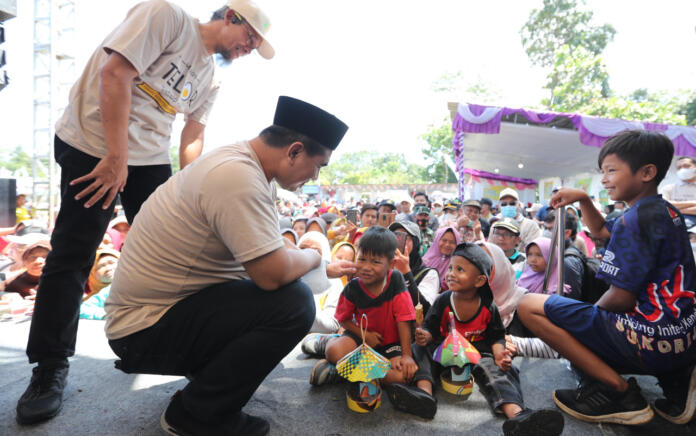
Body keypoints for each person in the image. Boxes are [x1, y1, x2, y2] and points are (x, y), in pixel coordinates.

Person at [16, 0, 276, 426]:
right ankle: (49, 368)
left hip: (148, 158)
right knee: (73, 255)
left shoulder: (210, 76)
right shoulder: (166, 18)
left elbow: (192, 134)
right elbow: (114, 74)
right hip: (94, 144)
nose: (249, 48)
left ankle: (184, 350)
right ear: (231, 16)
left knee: (184, 251)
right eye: (250, 38)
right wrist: (116, 158)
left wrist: (196, 194)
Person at [102, 96, 348, 435]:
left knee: (284, 298)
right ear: (293, 151)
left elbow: (272, 250)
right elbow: (272, 273)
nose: (315, 176)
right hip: (143, 330)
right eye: (318, 165)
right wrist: (316, 256)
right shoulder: (238, 176)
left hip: (156, 318)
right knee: (294, 304)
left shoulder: (243, 166)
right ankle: (196, 414)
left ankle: (206, 383)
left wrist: (300, 258)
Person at [517, 130, 696, 426]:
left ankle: (620, 393)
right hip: (681, 338)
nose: (604, 179)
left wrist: (586, 324)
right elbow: (601, 231)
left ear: (647, 172)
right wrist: (585, 199)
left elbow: (621, 298)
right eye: (603, 172)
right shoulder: (665, 212)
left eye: (612, 171)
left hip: (648, 339)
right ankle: (677, 378)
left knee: (529, 306)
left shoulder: (634, 220)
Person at [413, 242, 564, 435]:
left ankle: (517, 415)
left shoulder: (488, 306)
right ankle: (423, 395)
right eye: (450, 268)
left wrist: (500, 354)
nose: (451, 273)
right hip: (445, 349)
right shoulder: (444, 300)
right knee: (419, 348)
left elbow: (496, 335)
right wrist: (425, 335)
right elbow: (431, 326)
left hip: (477, 352)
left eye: (460, 269)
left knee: (498, 371)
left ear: (479, 281)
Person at [308, 227, 434, 418]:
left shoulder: (396, 281)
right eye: (362, 259)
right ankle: (330, 346)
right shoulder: (353, 287)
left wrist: (407, 355)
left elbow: (403, 320)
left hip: (390, 345)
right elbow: (343, 318)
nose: (366, 267)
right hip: (361, 337)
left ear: (391, 264)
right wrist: (363, 334)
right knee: (333, 351)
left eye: (375, 262)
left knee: (401, 376)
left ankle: (344, 372)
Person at [388, 220, 440, 314]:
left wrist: (405, 272)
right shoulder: (383, 266)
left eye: (404, 237)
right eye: (394, 236)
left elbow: (424, 309)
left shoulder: (428, 274)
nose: (398, 242)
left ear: (415, 243)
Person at [422, 225, 462, 292]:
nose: (447, 244)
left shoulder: (458, 265)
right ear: (437, 240)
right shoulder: (427, 259)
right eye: (444, 240)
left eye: (452, 242)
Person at [661, 156, 696, 227]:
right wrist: (693, 203)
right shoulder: (668, 189)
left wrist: (674, 209)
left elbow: (668, 207)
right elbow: (663, 206)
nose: (682, 169)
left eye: (686, 166)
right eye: (679, 168)